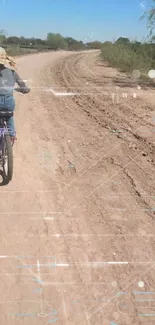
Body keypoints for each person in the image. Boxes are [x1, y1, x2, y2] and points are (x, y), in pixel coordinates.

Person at [0, 47, 30, 143]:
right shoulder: (12, 73)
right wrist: (23, 90)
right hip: (9, 103)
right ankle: (12, 135)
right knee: (10, 116)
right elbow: (23, 87)